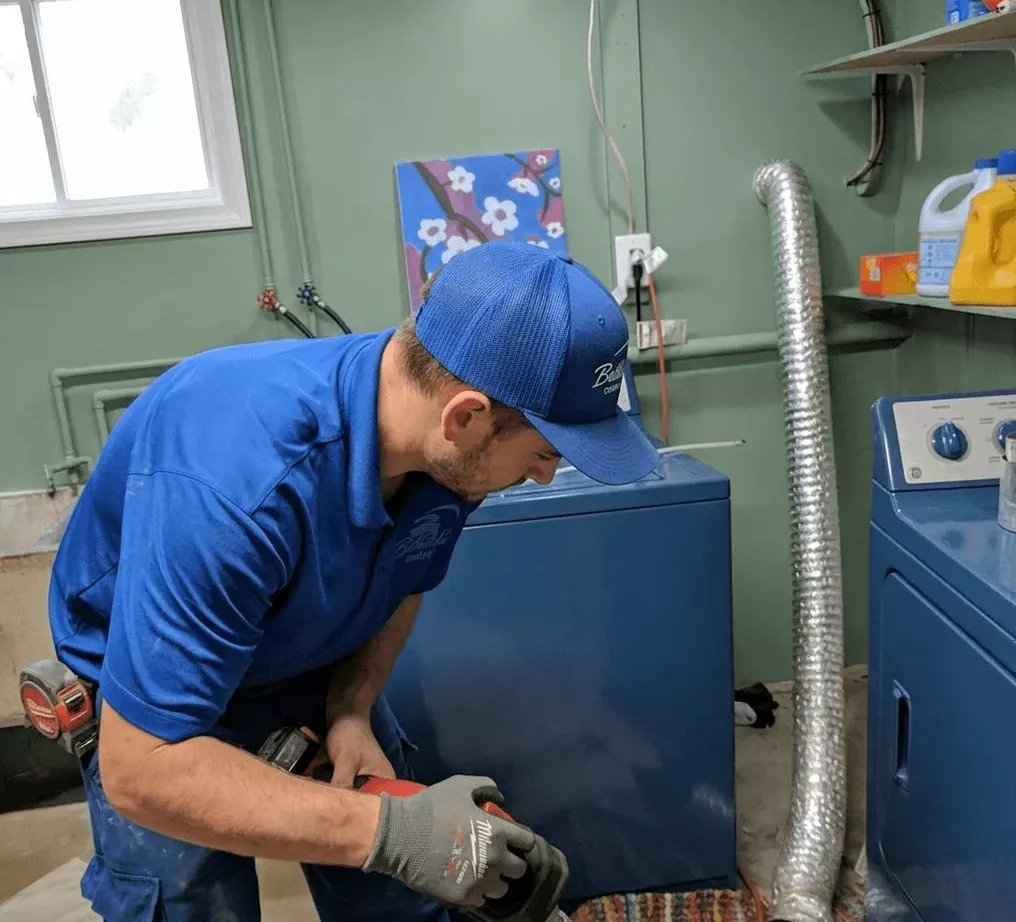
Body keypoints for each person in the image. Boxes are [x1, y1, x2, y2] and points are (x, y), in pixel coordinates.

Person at [48, 241, 659, 921]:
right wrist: (388, 834)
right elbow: (143, 768)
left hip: (303, 661)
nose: (545, 474)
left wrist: (352, 706)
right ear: (466, 416)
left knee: (409, 895)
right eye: (544, 454)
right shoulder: (235, 488)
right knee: (194, 904)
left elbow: (404, 574)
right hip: (157, 695)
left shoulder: (439, 433)